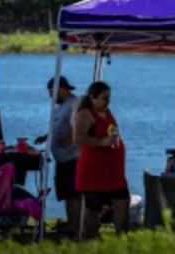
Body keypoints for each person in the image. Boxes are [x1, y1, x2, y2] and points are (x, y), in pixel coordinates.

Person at [72, 82, 129, 238]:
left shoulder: (108, 112)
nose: (107, 101)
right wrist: (101, 142)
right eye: (104, 98)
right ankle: (90, 239)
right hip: (94, 172)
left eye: (109, 97)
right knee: (93, 207)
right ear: (92, 98)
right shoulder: (86, 114)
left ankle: (122, 237)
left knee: (122, 202)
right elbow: (77, 137)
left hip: (113, 173)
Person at [34, 77, 82, 237]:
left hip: (73, 157)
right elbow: (59, 126)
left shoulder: (75, 103)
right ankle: (70, 225)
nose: (50, 96)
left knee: (74, 195)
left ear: (61, 88)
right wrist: (46, 136)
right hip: (61, 160)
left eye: (51, 92)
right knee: (67, 195)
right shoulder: (60, 107)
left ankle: (76, 228)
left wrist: (67, 137)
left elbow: (80, 127)